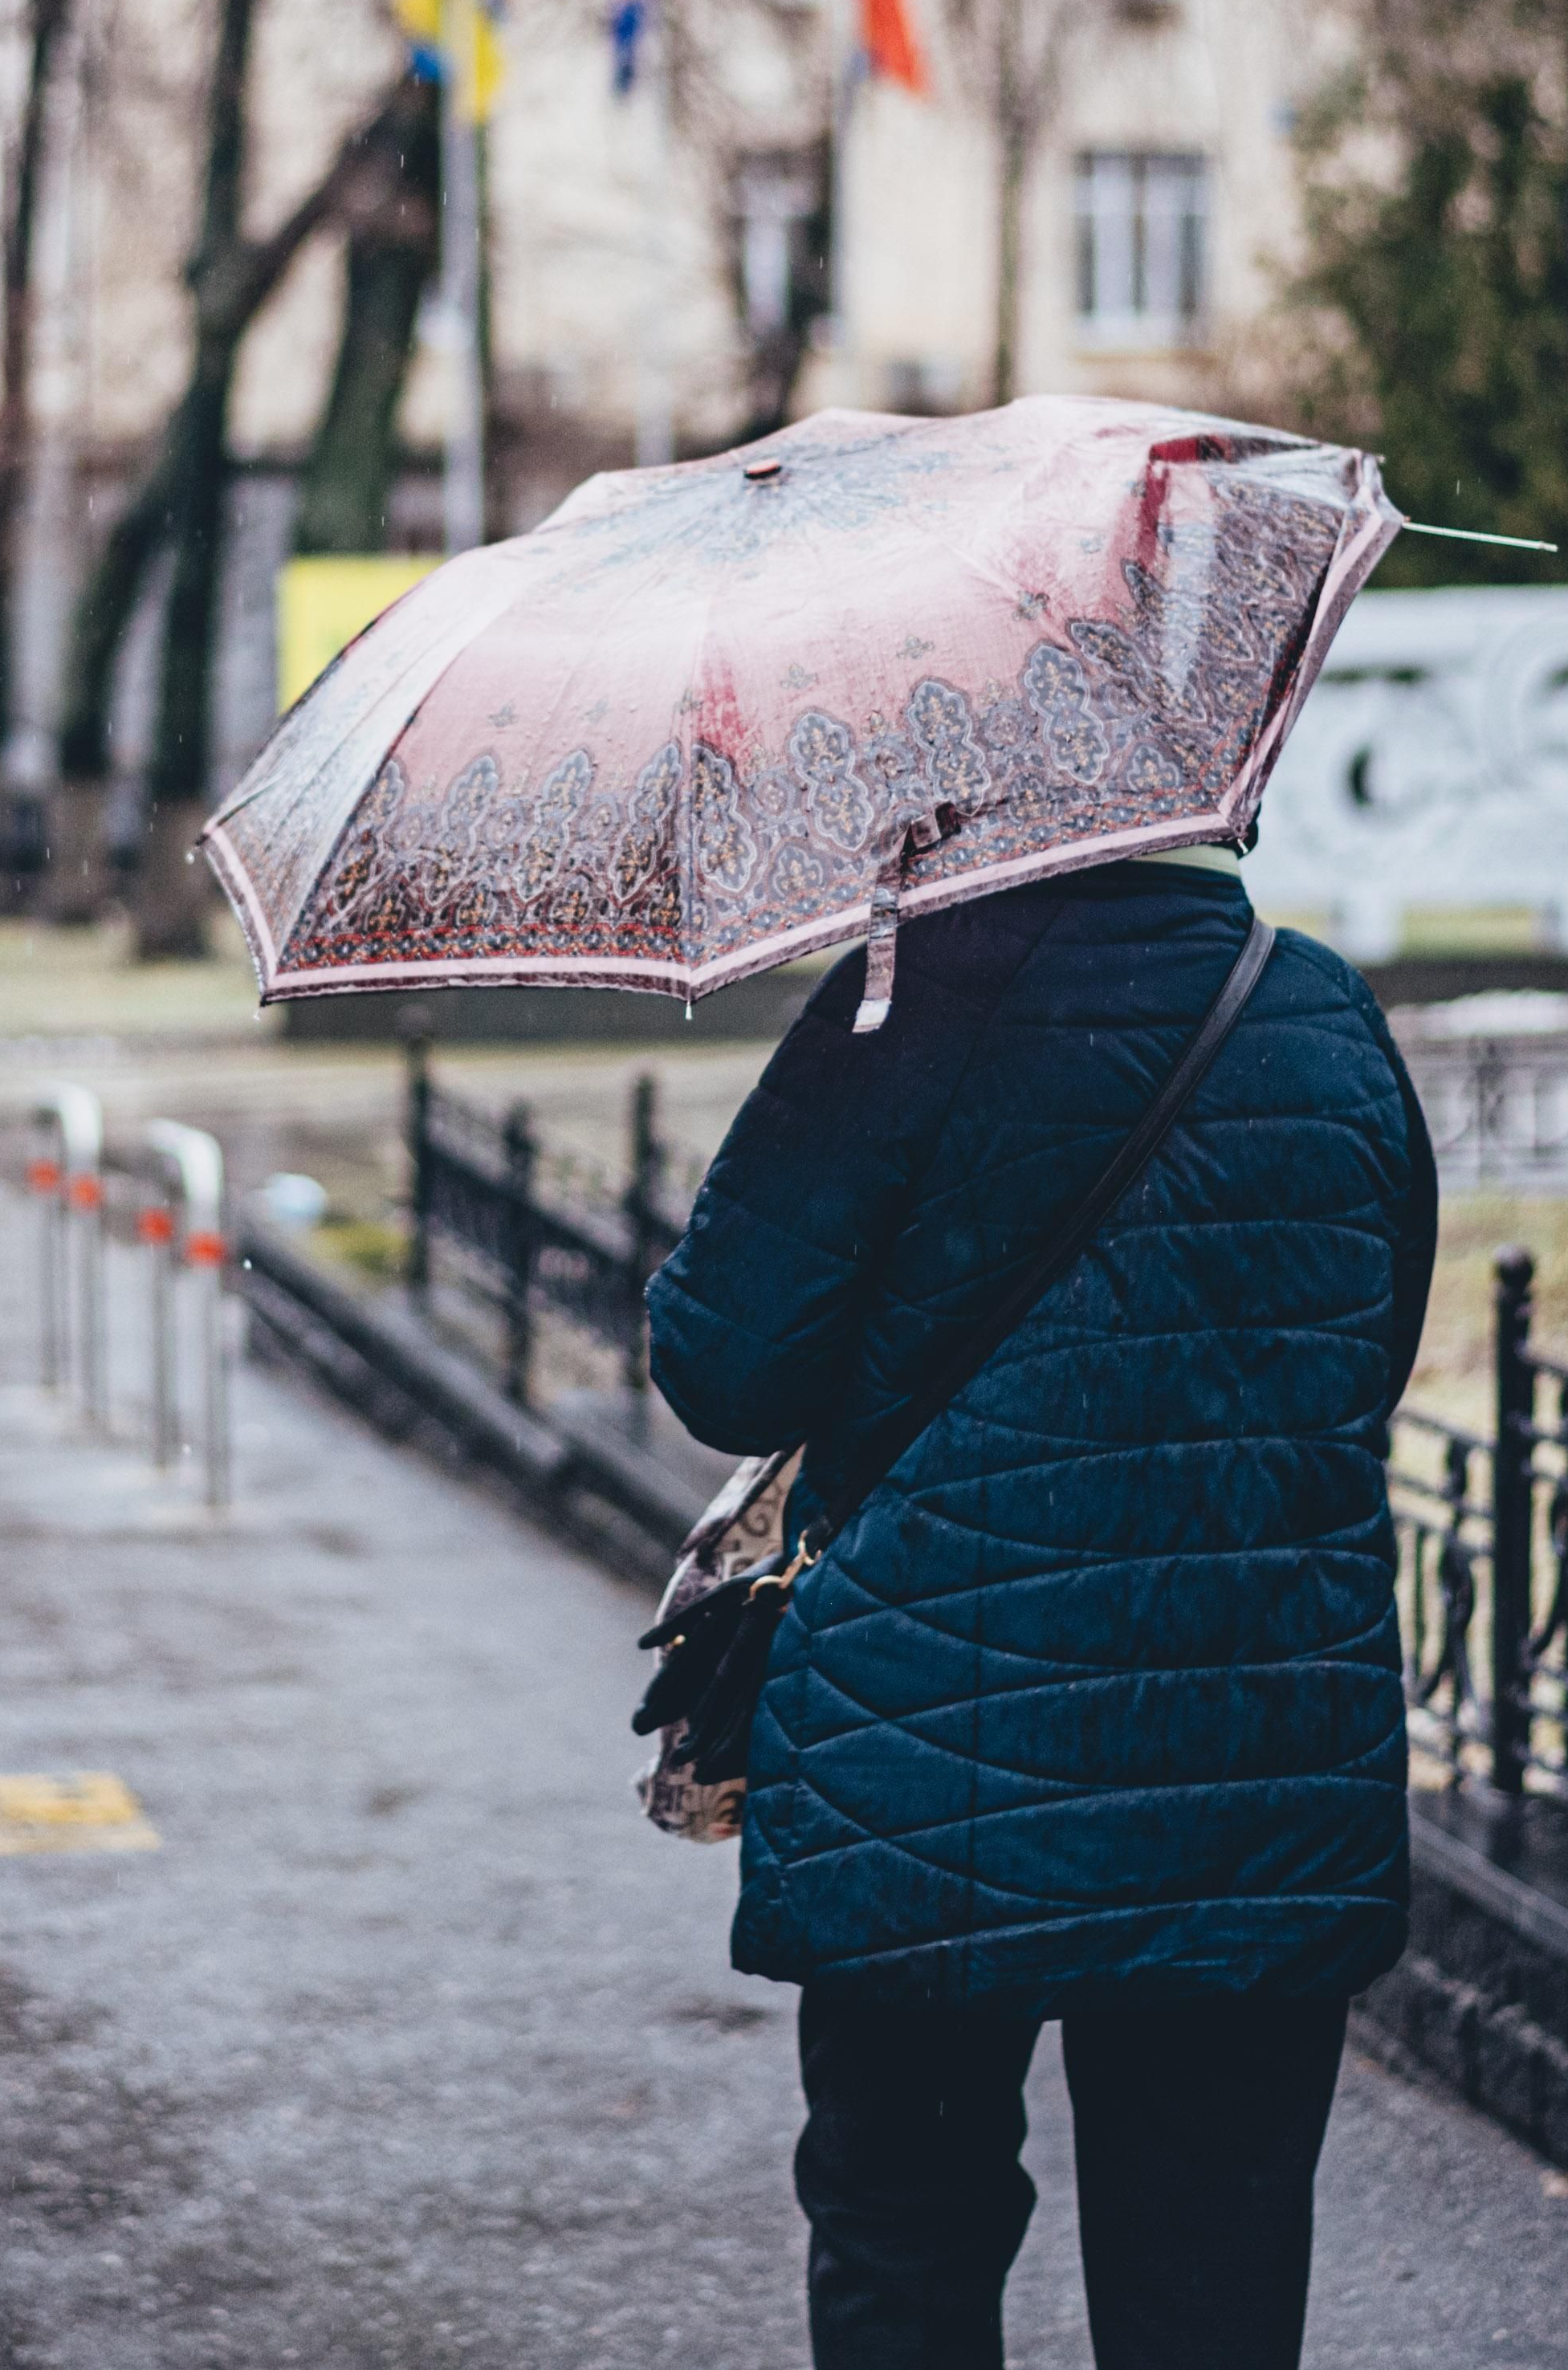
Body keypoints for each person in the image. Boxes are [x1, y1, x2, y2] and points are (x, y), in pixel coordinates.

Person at [642, 839, 1433, 2370]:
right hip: (1253, 1760)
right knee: (1211, 2276)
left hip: (921, 1765)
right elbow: (1366, 1353)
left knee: (907, 2242)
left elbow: (724, 1370)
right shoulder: (1320, 1012)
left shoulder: (896, 1016)